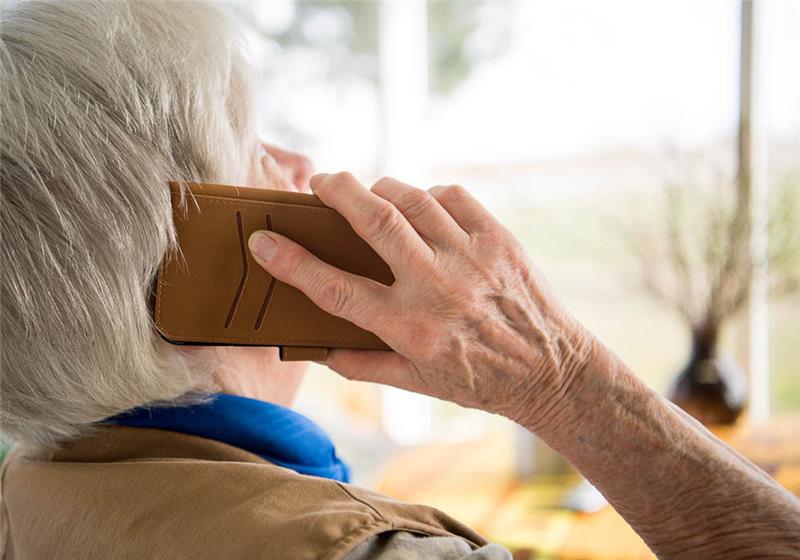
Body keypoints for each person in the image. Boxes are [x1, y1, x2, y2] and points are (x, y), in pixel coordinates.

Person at [0, 1, 797, 559]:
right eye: (257, 150)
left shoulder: (30, 490)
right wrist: (561, 380)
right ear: (196, 260)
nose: (302, 168)